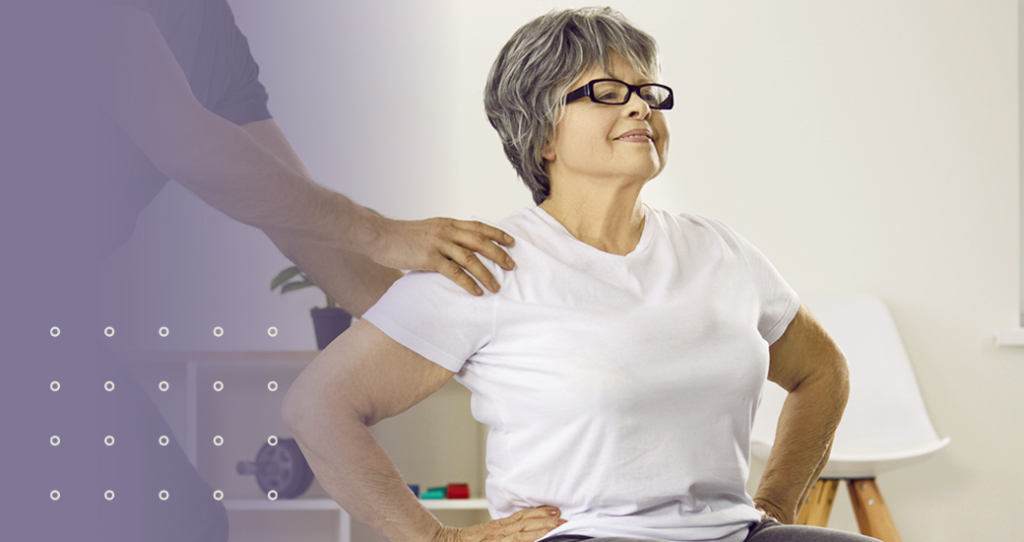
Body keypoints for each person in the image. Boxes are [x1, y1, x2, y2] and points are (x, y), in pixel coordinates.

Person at [283, 7, 871, 542]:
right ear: (542, 135)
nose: (639, 107)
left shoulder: (721, 251)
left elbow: (823, 371)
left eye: (646, 92)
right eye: (607, 93)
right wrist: (439, 539)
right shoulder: (489, 262)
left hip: (733, 534)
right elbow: (318, 407)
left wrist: (775, 506)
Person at [93, 1, 518, 541]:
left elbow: (295, 222)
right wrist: (382, 233)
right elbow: (187, 142)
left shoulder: (207, 27)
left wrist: (478, 343)